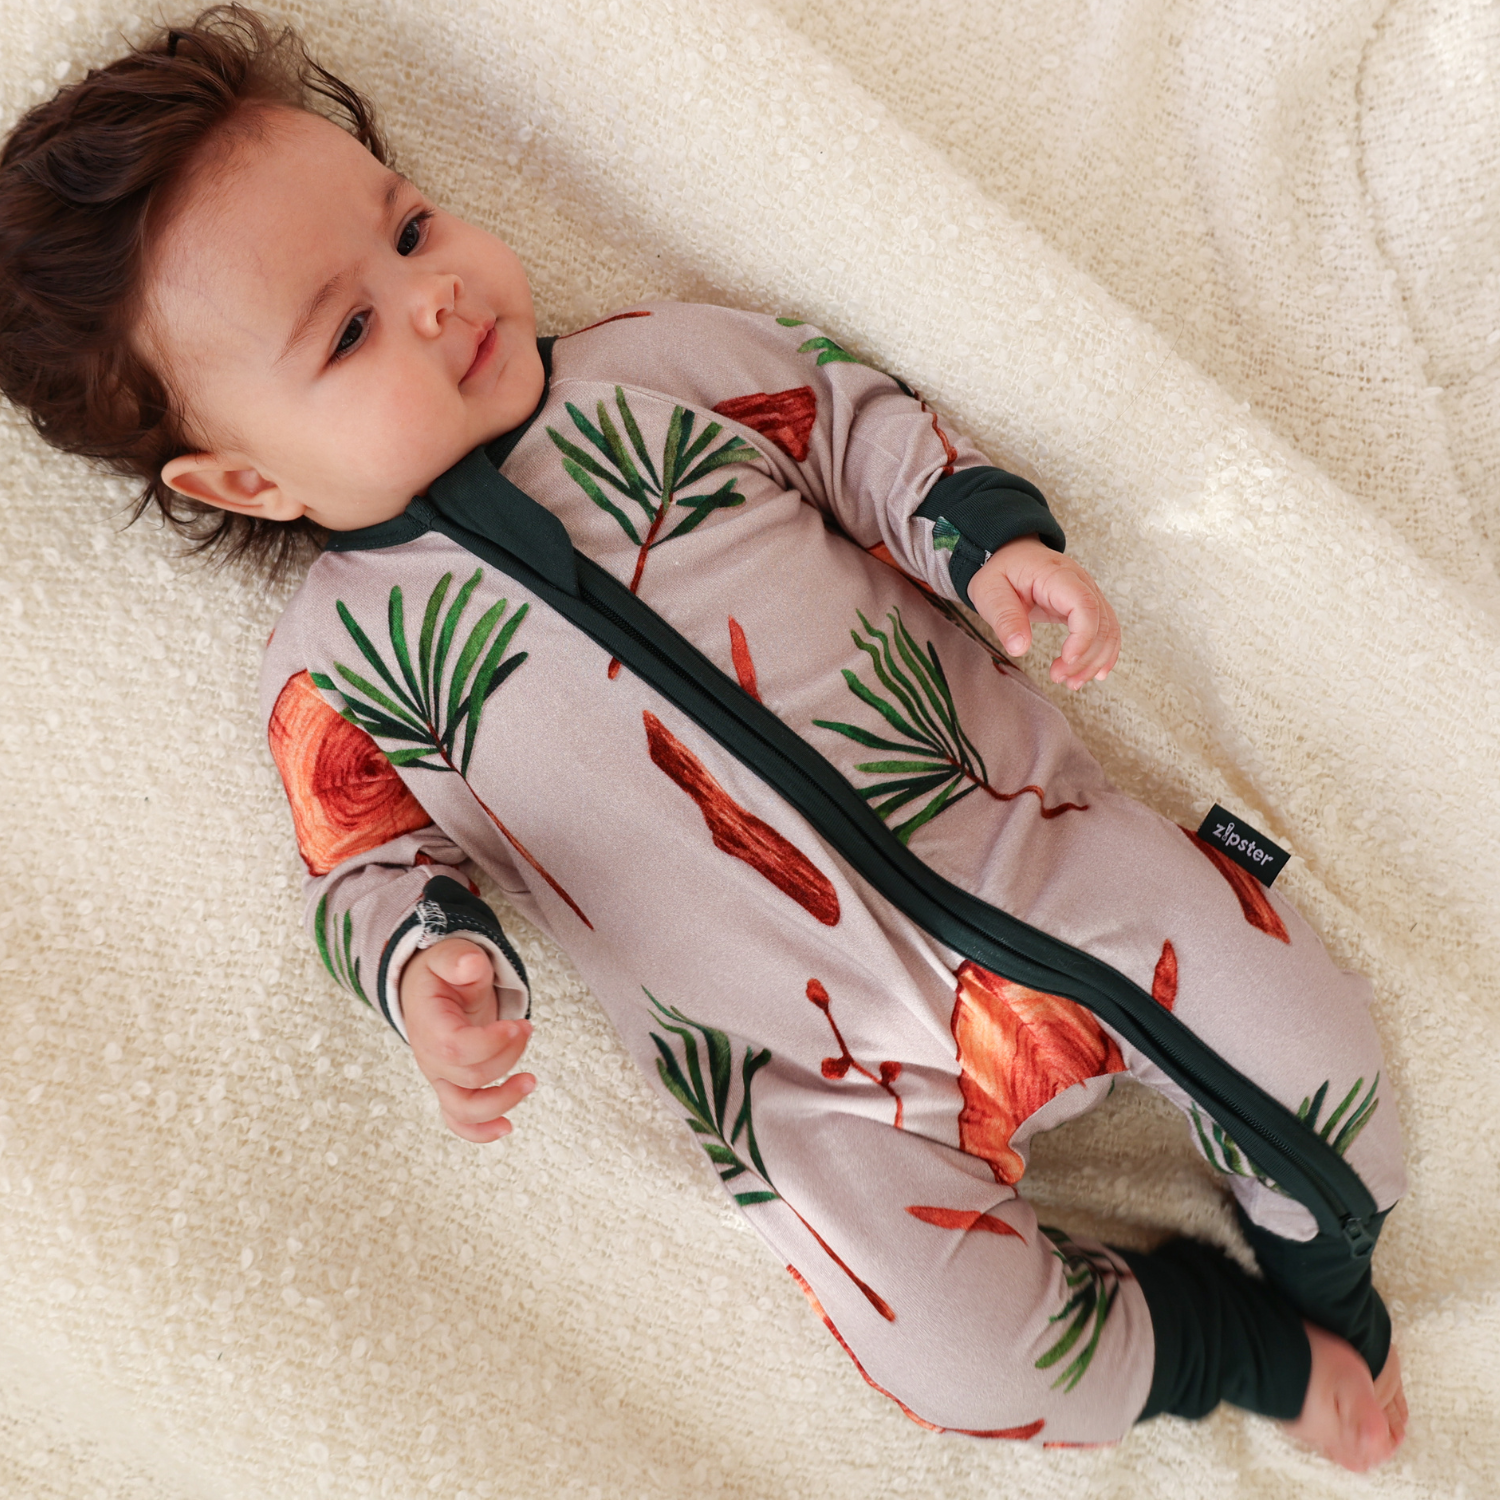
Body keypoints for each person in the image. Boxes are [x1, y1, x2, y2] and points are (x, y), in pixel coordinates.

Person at [0, 5, 1409, 1467]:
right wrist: (429, 966)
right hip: (806, 1080)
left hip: (1034, 857)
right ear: (245, 480)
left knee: (1320, 1062)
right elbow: (359, 862)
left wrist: (986, 544)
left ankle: (1329, 1273)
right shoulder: (334, 667)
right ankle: (1224, 1350)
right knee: (959, 1357)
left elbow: (852, 424)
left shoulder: (660, 369)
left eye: (410, 229)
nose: (432, 294)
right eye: (348, 330)